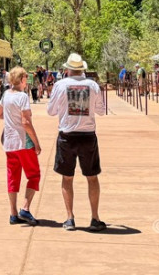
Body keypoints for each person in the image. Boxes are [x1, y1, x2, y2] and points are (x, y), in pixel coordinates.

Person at [46, 53, 106, 232]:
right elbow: (101, 110)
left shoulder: (60, 85)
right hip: (88, 135)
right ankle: (95, 218)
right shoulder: (92, 85)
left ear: (67, 69)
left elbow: (51, 111)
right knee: (92, 177)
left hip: (67, 135)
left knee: (67, 177)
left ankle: (69, 218)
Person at [0, 66, 42, 226]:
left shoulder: (6, 95)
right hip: (24, 142)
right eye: (25, 79)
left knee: (13, 176)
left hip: (9, 143)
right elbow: (26, 122)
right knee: (33, 175)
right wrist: (36, 143)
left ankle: (13, 213)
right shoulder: (22, 97)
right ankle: (25, 208)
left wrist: (10, 120)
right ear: (21, 80)